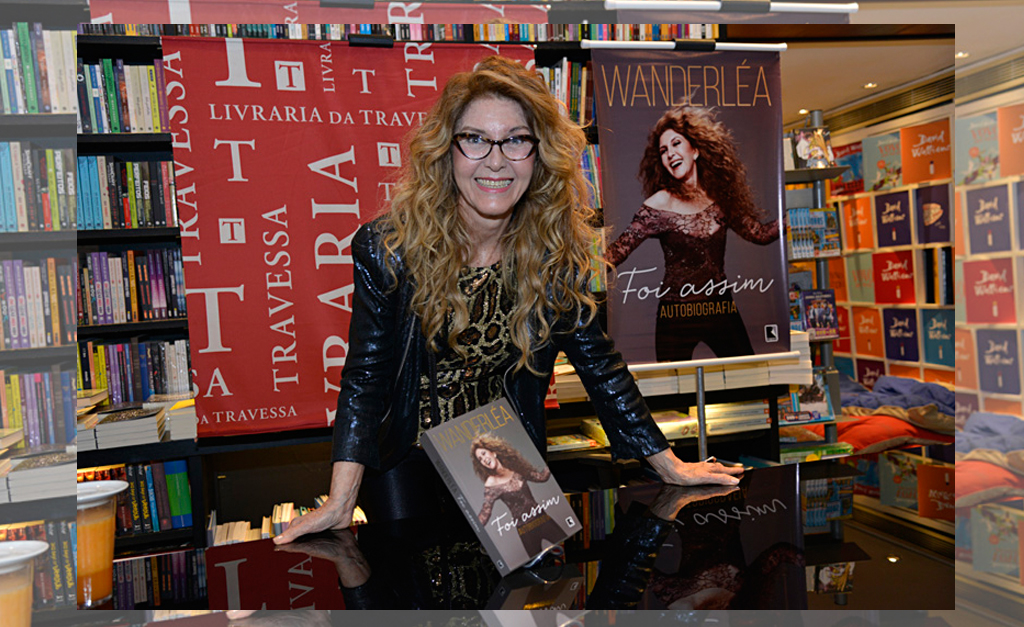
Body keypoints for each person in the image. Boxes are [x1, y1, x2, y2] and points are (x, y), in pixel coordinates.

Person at [273, 56, 742, 547]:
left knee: (524, 586)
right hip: (406, 455)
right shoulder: (389, 247)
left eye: (516, 140)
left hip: (501, 449)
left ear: (539, 156)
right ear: (447, 151)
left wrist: (669, 465)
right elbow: (366, 377)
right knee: (410, 579)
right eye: (475, 139)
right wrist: (340, 500)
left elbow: (599, 365)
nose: (495, 161)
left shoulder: (555, 252)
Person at [604, 105, 780, 362]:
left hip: (720, 307)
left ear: (695, 150)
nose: (670, 154)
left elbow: (760, 234)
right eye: (664, 150)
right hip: (675, 315)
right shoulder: (658, 204)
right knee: (673, 386)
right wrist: (577, 268)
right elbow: (616, 253)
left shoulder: (720, 198)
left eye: (676, 143)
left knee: (747, 374)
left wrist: (794, 220)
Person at [471, 433, 567, 557]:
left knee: (567, 552)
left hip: (542, 519)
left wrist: (552, 459)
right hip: (525, 530)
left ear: (493, 452)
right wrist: (472, 526)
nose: (483, 459)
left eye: (484, 454)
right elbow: (485, 514)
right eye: (480, 459)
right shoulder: (491, 483)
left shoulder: (516, 468)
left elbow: (541, 477)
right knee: (535, 565)